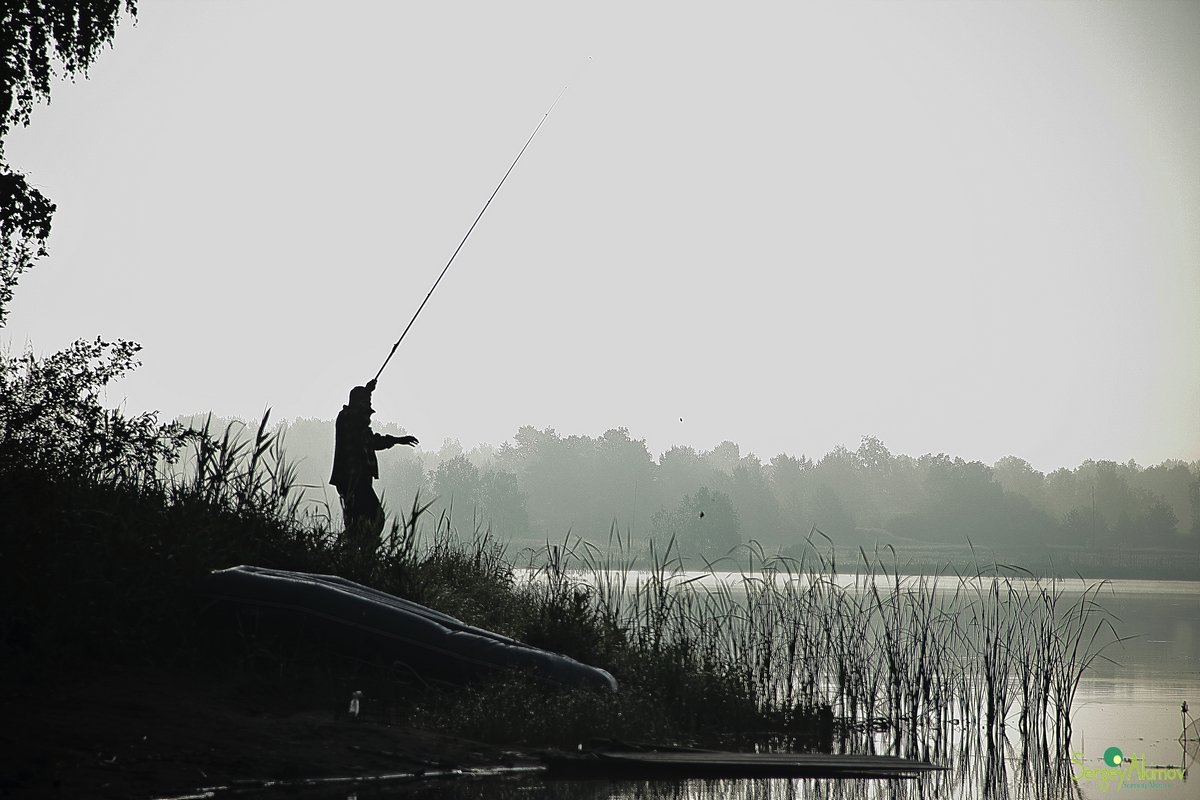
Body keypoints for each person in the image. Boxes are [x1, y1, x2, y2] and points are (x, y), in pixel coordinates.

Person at [330, 378, 418, 555]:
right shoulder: (348, 419)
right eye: (366, 407)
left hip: (357, 480)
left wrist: (367, 392)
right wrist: (367, 392)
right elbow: (368, 435)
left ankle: (352, 553)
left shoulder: (355, 423)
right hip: (352, 481)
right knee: (374, 518)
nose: (368, 415)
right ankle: (358, 552)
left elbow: (372, 440)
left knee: (360, 521)